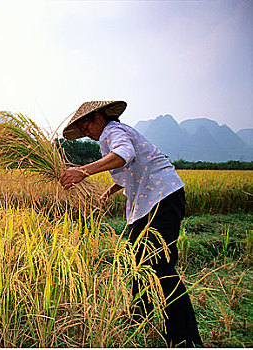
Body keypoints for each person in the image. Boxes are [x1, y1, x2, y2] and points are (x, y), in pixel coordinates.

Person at [58, 101, 202, 347]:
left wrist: (83, 171)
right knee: (136, 261)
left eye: (87, 126)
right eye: (82, 130)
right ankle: (140, 316)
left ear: (99, 117)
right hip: (148, 203)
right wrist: (108, 192)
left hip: (162, 197)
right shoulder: (112, 135)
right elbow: (129, 169)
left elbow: (125, 155)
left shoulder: (113, 131)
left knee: (160, 267)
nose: (87, 133)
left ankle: (186, 340)